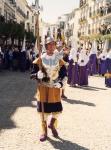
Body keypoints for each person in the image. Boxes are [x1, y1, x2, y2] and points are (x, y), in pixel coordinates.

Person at [30, 37, 67, 142]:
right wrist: (37, 74)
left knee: (57, 110)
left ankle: (52, 124)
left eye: (53, 44)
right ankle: (44, 130)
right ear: (45, 46)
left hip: (55, 89)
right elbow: (32, 74)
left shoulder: (59, 59)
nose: (51, 46)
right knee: (43, 112)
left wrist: (60, 83)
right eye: (49, 45)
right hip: (43, 88)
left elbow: (64, 73)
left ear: (55, 46)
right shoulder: (40, 59)